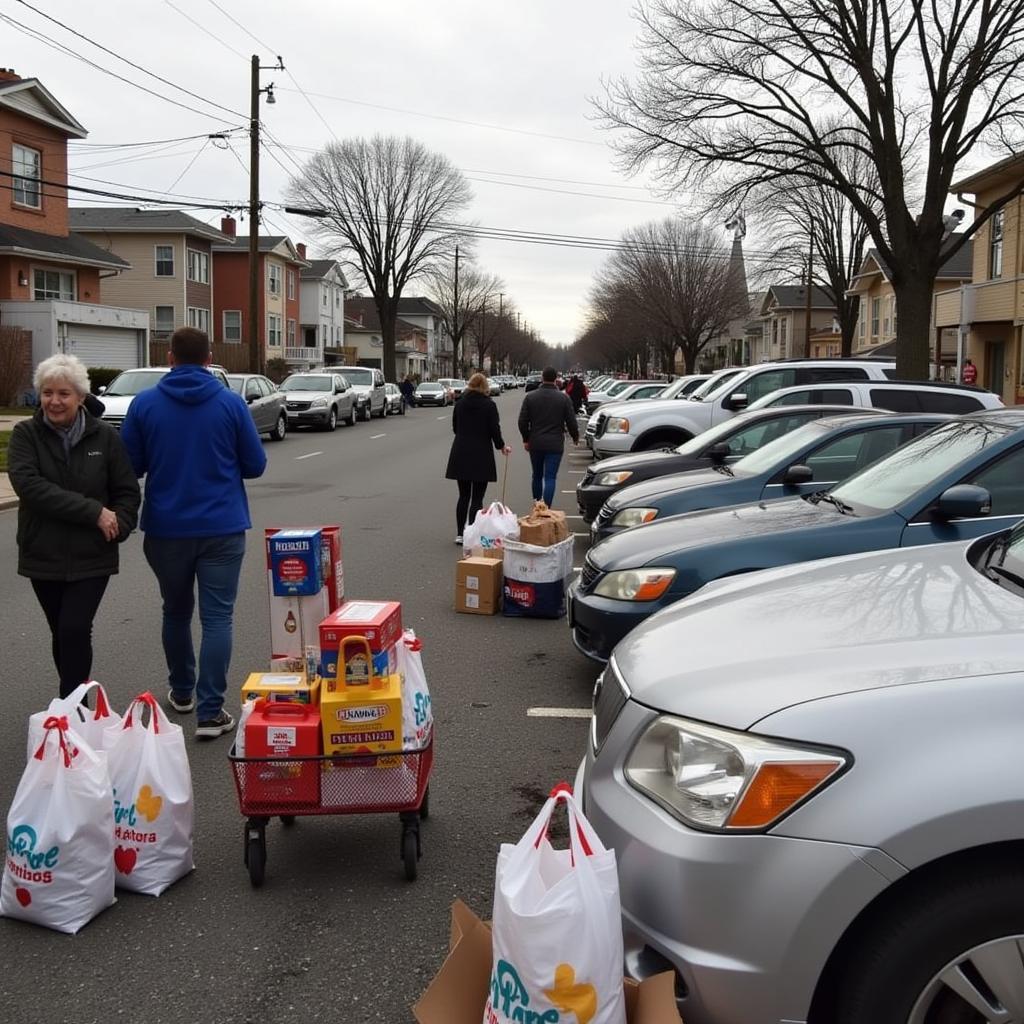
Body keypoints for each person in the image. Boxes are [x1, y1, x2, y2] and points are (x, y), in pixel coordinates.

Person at [121, 327, 267, 739]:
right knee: (218, 616)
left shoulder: (144, 405)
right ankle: (210, 710)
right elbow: (255, 465)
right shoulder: (230, 404)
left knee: (176, 610)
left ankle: (182, 691)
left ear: (170, 358)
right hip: (222, 525)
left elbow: (129, 465)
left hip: (166, 528)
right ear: (208, 359)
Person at [8, 354, 141, 699]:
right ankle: (73, 703)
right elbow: (31, 487)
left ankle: (73, 704)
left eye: (64, 393)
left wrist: (119, 525)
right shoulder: (26, 435)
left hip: (92, 554)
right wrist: (95, 512)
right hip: (43, 552)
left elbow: (126, 491)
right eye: (47, 393)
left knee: (75, 627)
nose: (54, 401)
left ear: (81, 397)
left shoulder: (105, 438)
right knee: (61, 631)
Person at [445, 372, 511, 544]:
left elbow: (455, 428)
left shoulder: (460, 404)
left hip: (461, 451)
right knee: (477, 497)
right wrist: (502, 446)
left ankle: (460, 533)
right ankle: (472, 533)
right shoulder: (489, 405)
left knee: (463, 495)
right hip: (481, 453)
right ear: (484, 387)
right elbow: (494, 430)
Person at [518, 365, 579, 507]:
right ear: (556, 379)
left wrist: (526, 438)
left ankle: (537, 502)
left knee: (537, 475)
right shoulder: (564, 398)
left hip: (536, 442)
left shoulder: (530, 397)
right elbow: (571, 421)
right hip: (555, 443)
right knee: (550, 477)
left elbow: (522, 421)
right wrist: (575, 436)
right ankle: (546, 507)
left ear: (542, 378)